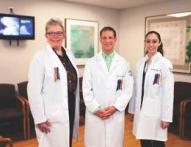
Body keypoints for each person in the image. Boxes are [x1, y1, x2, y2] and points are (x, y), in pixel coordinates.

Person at [27, 18, 80, 147]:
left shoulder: (69, 53)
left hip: (70, 104)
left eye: (59, 33)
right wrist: (39, 118)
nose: (55, 36)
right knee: (52, 143)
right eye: (51, 33)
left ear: (64, 35)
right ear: (46, 36)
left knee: (66, 140)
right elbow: (33, 90)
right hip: (51, 111)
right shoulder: (40, 57)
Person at [82, 26, 133, 147]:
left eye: (110, 37)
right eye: (104, 38)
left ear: (115, 40)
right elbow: (86, 89)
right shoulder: (91, 63)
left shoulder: (124, 63)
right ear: (100, 40)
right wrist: (96, 108)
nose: (107, 41)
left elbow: (128, 90)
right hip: (95, 114)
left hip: (114, 113)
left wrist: (115, 107)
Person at [132, 31, 174, 147]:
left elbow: (168, 93)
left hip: (156, 113)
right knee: (144, 141)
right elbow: (136, 90)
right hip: (141, 111)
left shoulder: (165, 64)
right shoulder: (140, 63)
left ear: (159, 43)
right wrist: (132, 110)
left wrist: (166, 117)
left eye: (154, 41)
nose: (151, 44)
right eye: (148, 41)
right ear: (145, 43)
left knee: (157, 143)